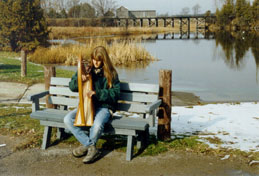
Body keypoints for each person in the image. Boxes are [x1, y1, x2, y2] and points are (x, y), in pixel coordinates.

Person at [64, 46, 120, 164]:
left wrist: (97, 93)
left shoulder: (112, 73)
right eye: (94, 59)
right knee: (68, 119)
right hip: (88, 106)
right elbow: (71, 87)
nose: (95, 62)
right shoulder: (86, 69)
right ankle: (91, 147)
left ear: (104, 60)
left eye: (98, 60)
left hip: (105, 107)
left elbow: (115, 94)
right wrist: (80, 79)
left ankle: (86, 146)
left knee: (98, 124)